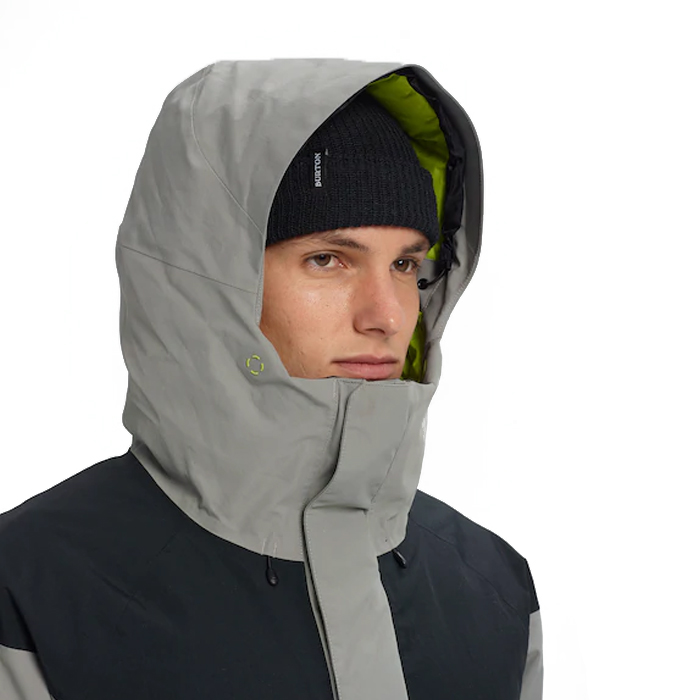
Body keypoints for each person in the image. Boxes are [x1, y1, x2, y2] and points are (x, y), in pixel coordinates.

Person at [0, 58, 543, 700]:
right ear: (208, 286)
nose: (389, 316)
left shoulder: (495, 588)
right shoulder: (31, 590)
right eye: (328, 259)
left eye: (405, 265)